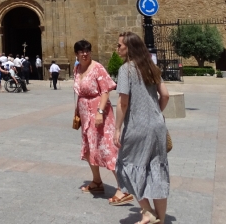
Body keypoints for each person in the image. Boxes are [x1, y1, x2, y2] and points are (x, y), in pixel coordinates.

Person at [114, 31, 170, 224]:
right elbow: (165, 95)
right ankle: (160, 220)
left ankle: (147, 210)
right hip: (157, 126)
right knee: (157, 170)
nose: (117, 48)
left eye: (120, 45)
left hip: (137, 127)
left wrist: (116, 128)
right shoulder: (151, 67)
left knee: (125, 166)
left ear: (129, 48)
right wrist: (156, 114)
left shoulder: (126, 70)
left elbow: (123, 103)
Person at [72, 40, 128, 204]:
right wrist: (78, 111)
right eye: (81, 51)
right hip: (84, 113)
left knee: (108, 148)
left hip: (99, 113)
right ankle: (97, 182)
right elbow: (80, 93)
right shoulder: (77, 68)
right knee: (89, 147)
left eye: (87, 51)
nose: (84, 54)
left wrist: (100, 112)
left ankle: (123, 188)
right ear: (76, 54)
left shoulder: (97, 68)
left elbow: (105, 91)